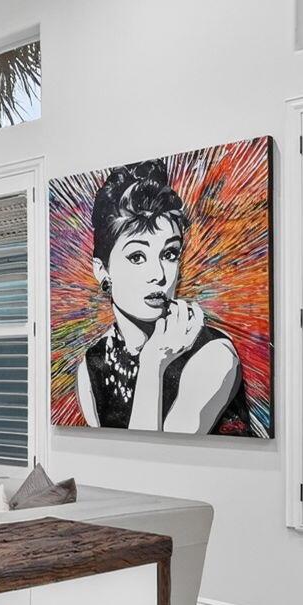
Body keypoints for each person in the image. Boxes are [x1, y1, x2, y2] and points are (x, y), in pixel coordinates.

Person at [74, 159, 251, 435]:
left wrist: (154, 362)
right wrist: (152, 358)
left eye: (169, 254)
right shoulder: (93, 365)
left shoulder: (214, 355)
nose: (159, 275)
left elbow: (157, 454)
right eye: (137, 256)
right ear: (102, 270)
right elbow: (118, 455)